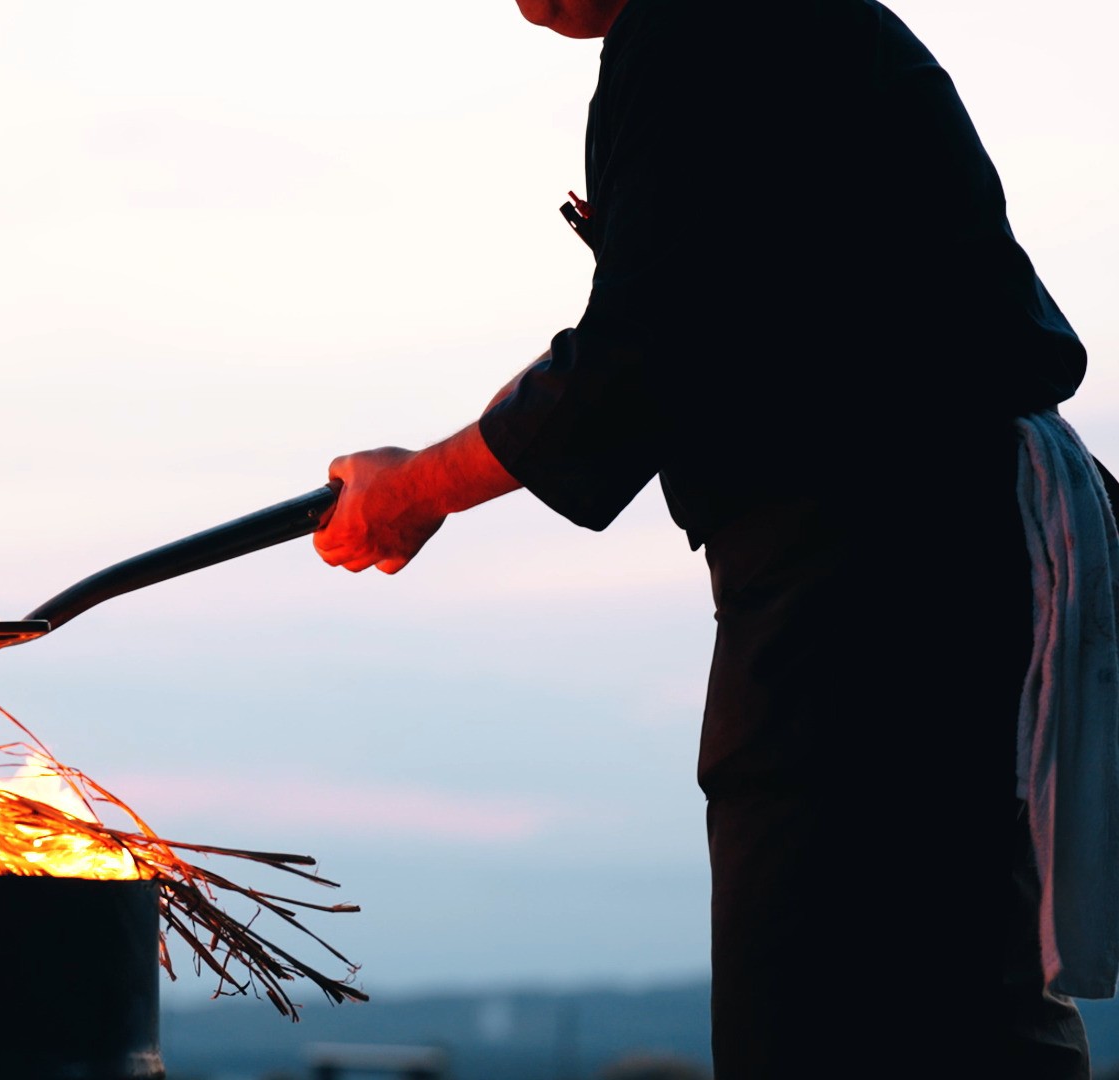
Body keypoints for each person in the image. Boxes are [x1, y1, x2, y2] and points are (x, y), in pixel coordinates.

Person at [313, 1, 1096, 1076]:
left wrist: (421, 491)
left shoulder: (701, 26)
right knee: (957, 995)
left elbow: (642, 355)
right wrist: (436, 467)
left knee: (831, 1003)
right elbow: (666, 327)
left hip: (876, 582)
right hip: (937, 556)